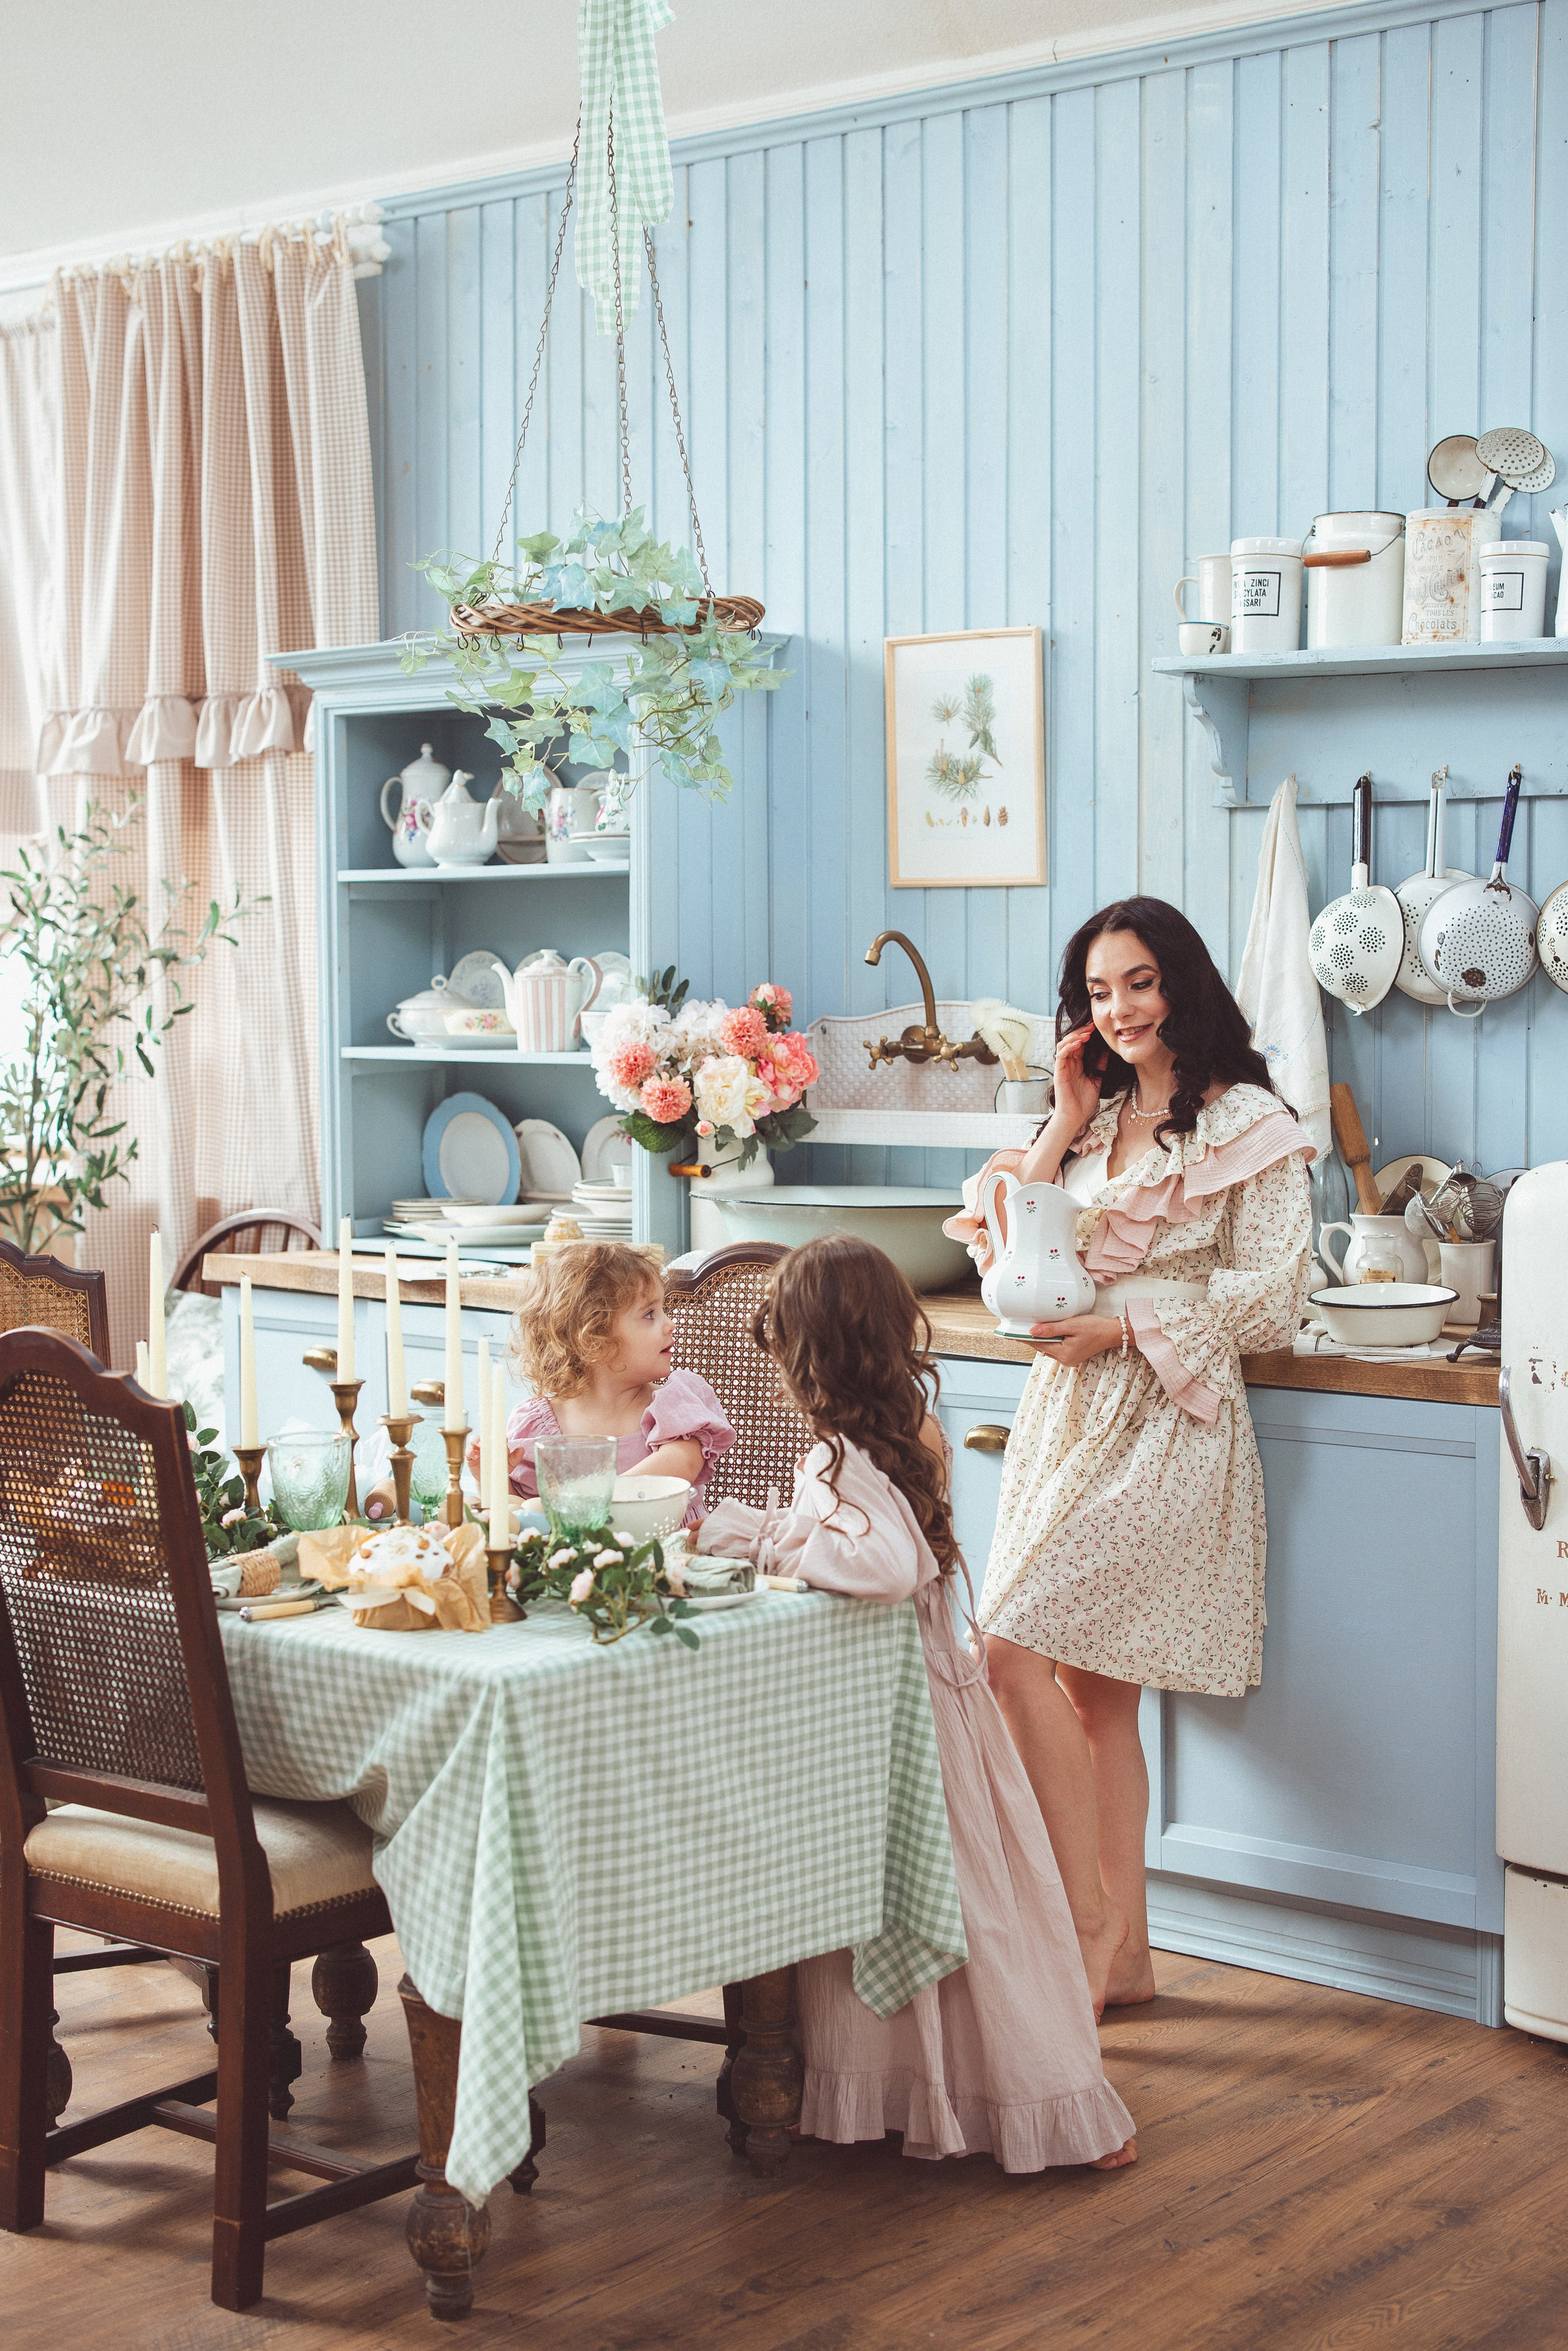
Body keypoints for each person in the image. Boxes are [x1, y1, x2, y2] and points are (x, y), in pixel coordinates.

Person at [695, 1232, 1137, 2175]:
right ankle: (925, 2091)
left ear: (809, 1352)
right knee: (965, 1908)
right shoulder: (901, 1432)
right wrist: (768, 1529)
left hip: (911, 1721)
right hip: (925, 1703)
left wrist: (767, 1544)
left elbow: (888, 1564)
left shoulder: (843, 1453)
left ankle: (1038, 2102)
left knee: (943, 1904)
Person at [946, 897, 1314, 2015]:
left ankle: (1086, 1924)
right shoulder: (1094, 1116)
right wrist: (1062, 1120)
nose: (1120, 1009)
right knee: (1087, 1692)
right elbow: (1006, 1258)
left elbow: (1276, 1294)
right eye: (1100, 991)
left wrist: (1125, 1327)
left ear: (1182, 982)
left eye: (1140, 982)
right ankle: (1130, 1954)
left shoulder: (1247, 1119)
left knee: (1007, 1653)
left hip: (1167, 1413)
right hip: (1066, 1414)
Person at [470, 1240, 734, 1524]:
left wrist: (575, 1506)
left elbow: (681, 1465)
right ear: (593, 1340)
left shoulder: (675, 1404)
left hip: (668, 1549)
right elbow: (522, 1520)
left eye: (662, 1309)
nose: (671, 1324)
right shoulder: (536, 1426)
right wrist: (491, 1477)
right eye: (649, 1314)